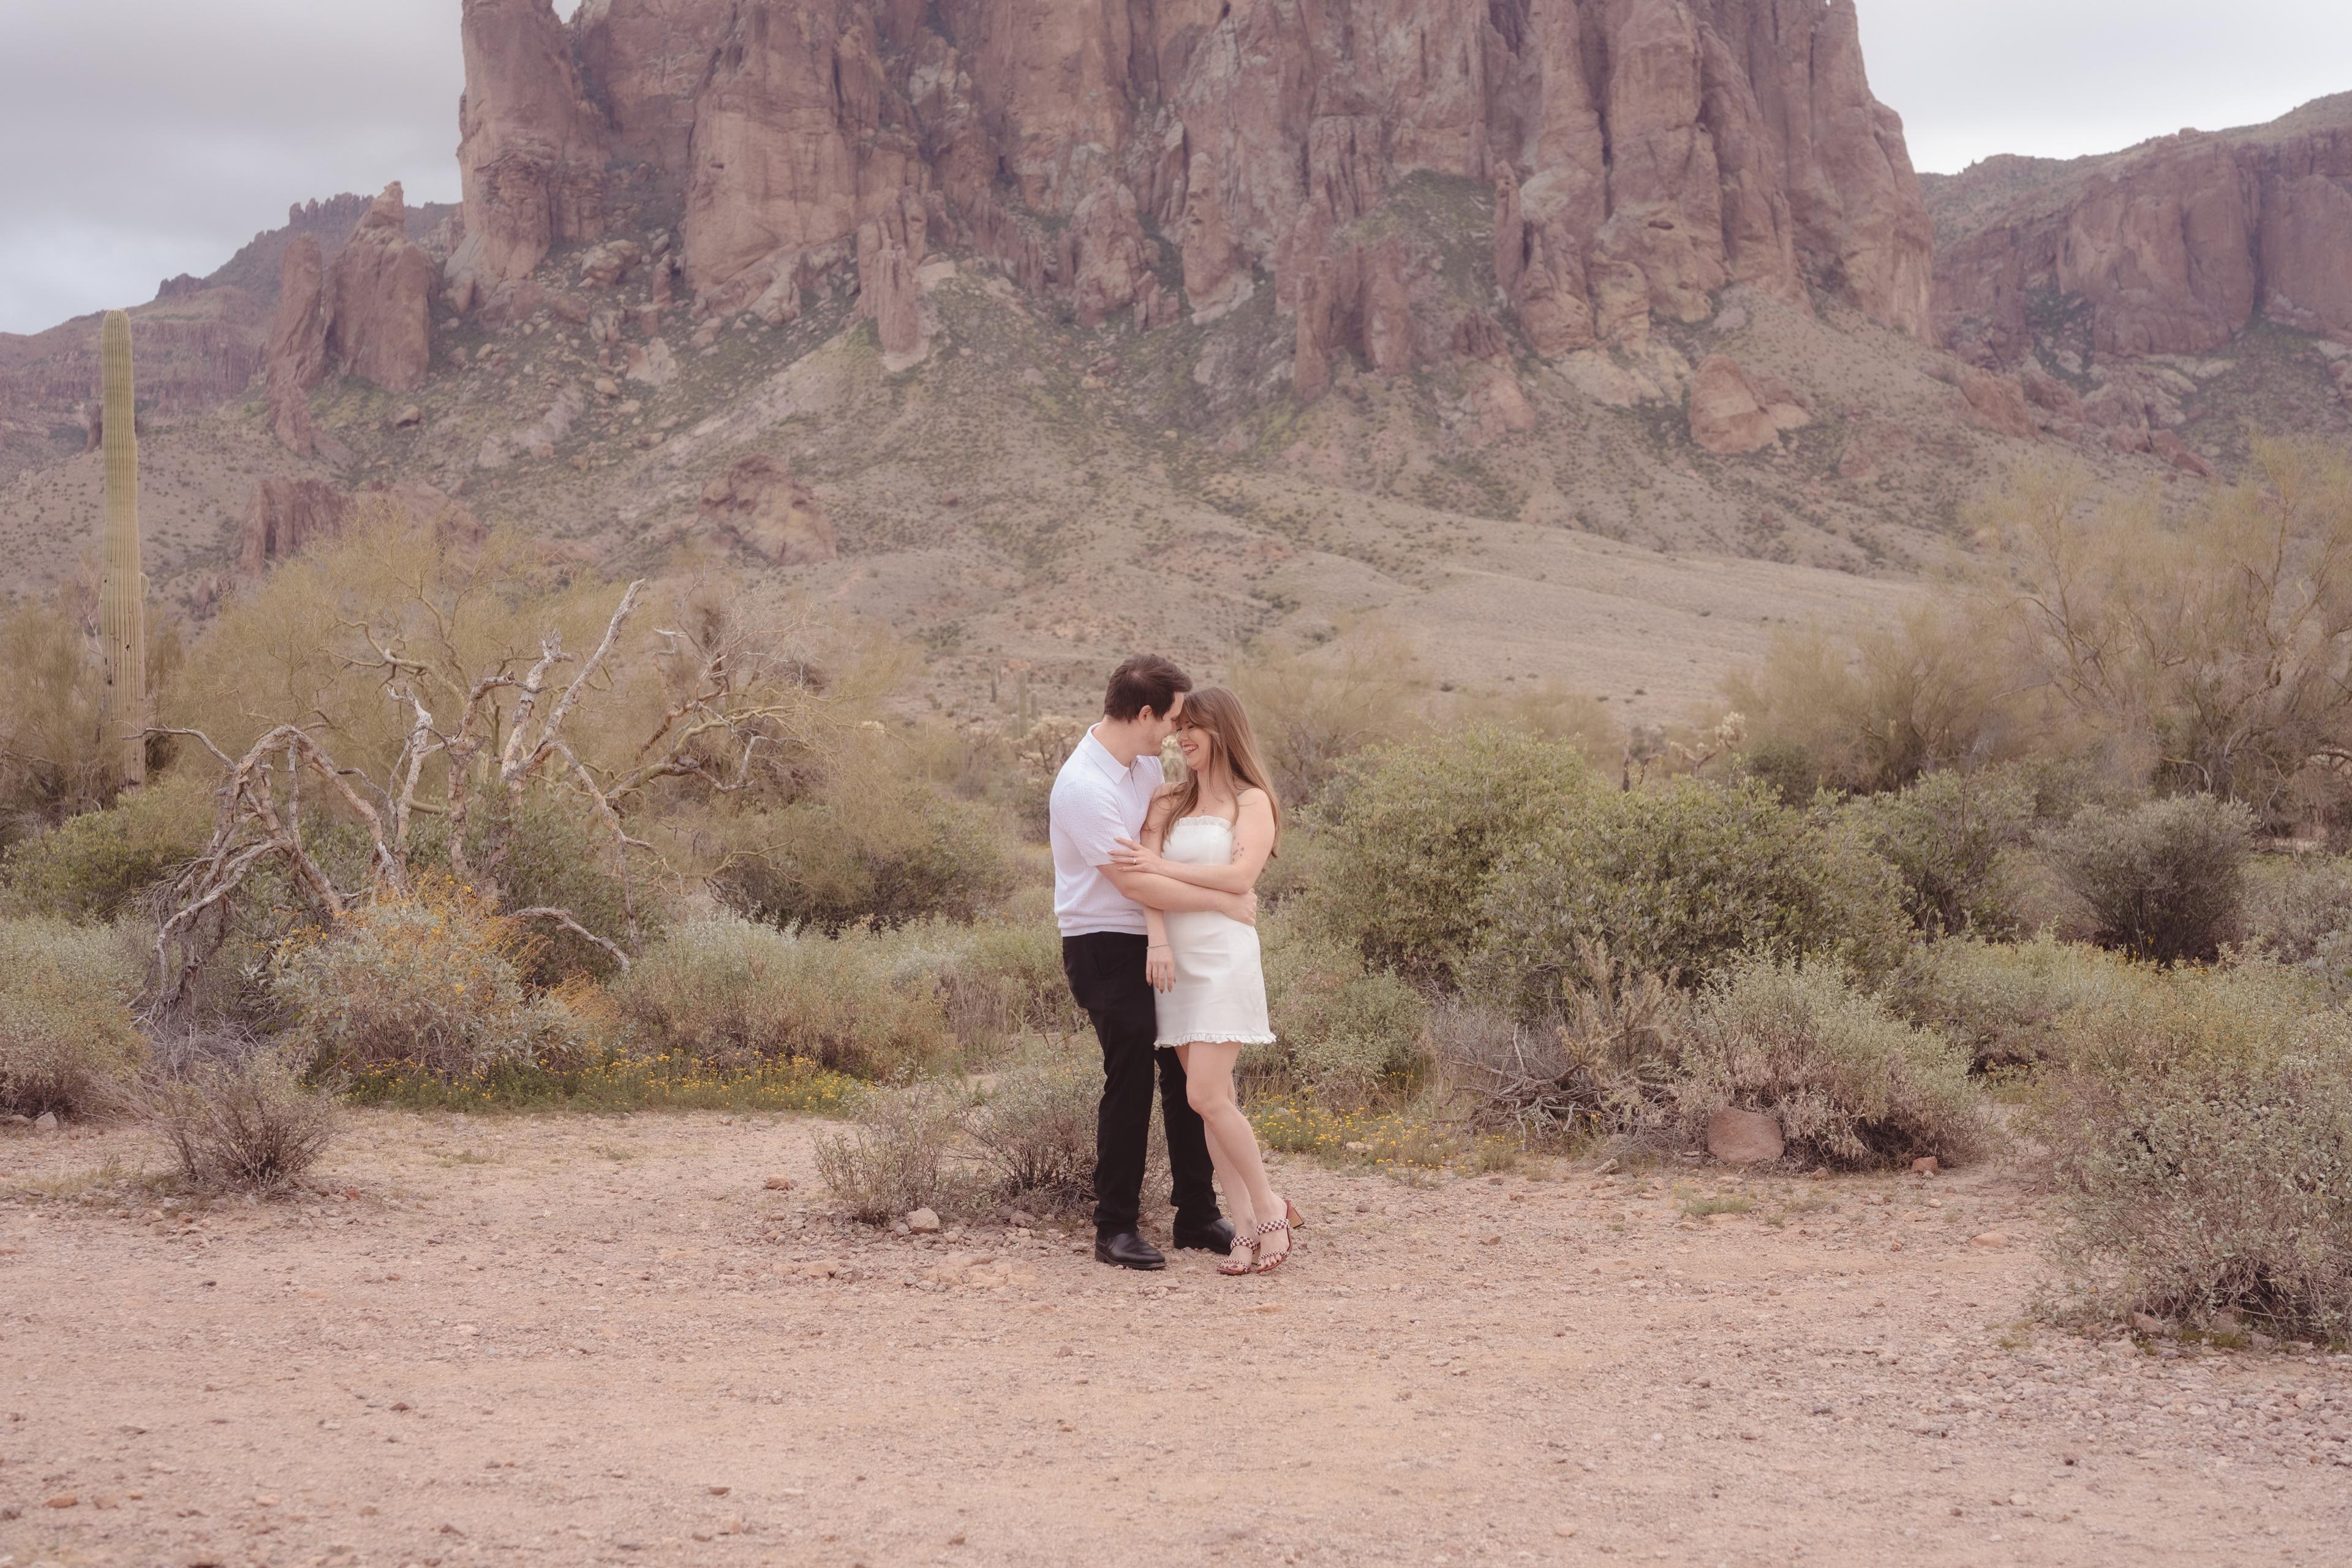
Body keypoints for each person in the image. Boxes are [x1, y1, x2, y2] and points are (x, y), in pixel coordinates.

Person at [1049, 655, 1248, 1270]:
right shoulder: (1084, 786)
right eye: (1170, 718)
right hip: (1103, 942)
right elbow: (1134, 883)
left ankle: (1196, 1211)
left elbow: (1155, 854)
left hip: (1154, 936)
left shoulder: (1140, 767)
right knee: (1130, 1074)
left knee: (1186, 1068)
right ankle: (1114, 1226)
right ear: (1143, 714)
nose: (1176, 730)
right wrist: (1225, 898)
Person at [1110, 686, 1305, 1275]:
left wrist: (1165, 866)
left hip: (1224, 959)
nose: (1181, 738)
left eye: (1194, 727)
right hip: (1176, 964)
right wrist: (1159, 941)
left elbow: (1242, 877)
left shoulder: (1252, 802)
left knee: (1203, 1096)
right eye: (1179, 728)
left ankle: (1269, 1208)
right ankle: (1243, 1225)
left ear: (1224, 730)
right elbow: (1140, 885)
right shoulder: (1167, 799)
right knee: (1214, 1103)